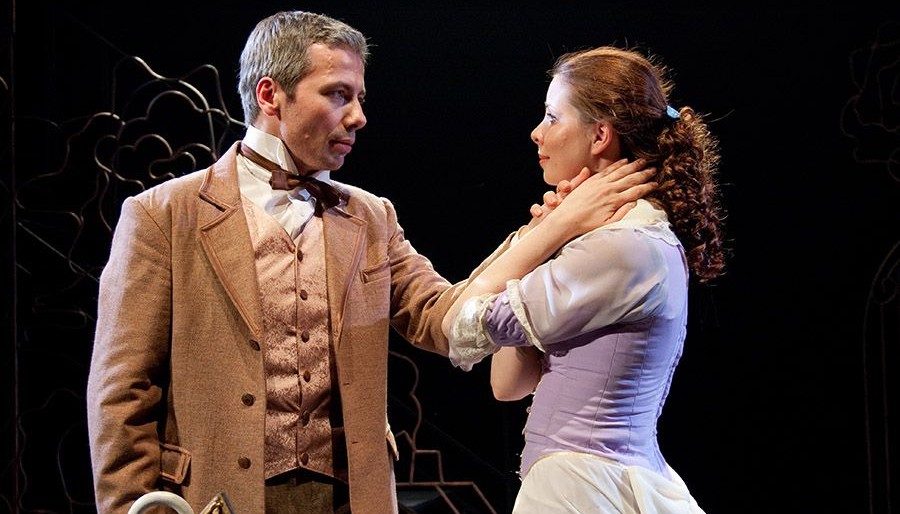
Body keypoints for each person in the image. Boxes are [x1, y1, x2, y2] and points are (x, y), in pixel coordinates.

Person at [85, 11, 657, 514]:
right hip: (216, 496)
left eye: (359, 97)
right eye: (338, 94)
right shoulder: (164, 215)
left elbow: (444, 321)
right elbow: (122, 392)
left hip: (349, 497)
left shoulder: (369, 216)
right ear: (270, 95)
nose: (358, 116)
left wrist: (546, 231)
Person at [443, 45, 727, 513]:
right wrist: (547, 239)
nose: (537, 133)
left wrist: (544, 234)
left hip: (580, 487)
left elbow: (461, 327)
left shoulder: (623, 248)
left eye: (553, 117)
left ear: (599, 135)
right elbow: (508, 385)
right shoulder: (617, 240)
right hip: (584, 479)